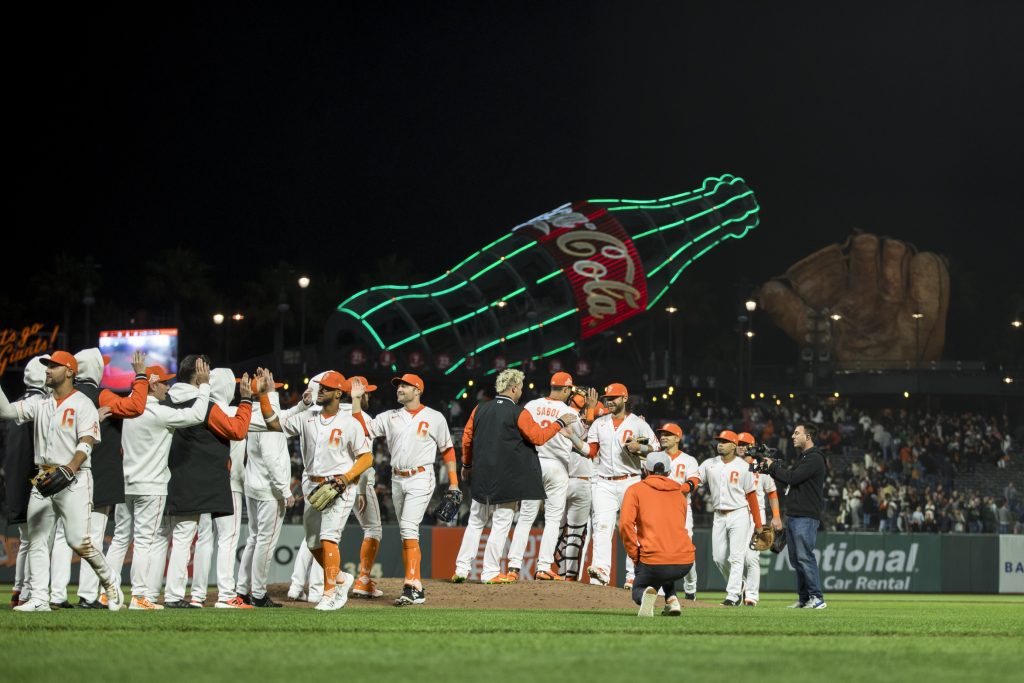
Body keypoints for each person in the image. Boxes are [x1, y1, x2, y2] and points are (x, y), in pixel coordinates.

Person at [0, 351, 123, 612]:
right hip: (44, 477)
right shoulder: (40, 402)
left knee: (79, 541)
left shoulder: (82, 403)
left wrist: (70, 468)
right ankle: (39, 599)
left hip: (75, 478)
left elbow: (87, 440)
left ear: (69, 372)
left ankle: (110, 579)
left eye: (53, 366)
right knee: (37, 539)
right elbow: (8, 412)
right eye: (47, 366)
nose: (47, 370)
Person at [452, 369, 577, 583]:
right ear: (513, 388)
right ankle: (490, 572)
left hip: (482, 473)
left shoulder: (479, 409)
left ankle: (461, 569)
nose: (520, 392)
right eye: (519, 388)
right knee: (501, 523)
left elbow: (467, 438)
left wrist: (466, 465)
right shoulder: (518, 412)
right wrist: (559, 423)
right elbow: (538, 437)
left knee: (475, 521)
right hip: (507, 476)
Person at [263, 370, 369, 611]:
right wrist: (262, 396)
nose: (319, 391)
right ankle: (341, 578)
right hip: (312, 484)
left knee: (328, 538)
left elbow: (366, 457)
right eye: (320, 387)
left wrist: (346, 478)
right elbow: (273, 423)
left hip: (339, 485)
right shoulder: (307, 418)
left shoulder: (350, 422)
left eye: (325, 388)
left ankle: (329, 593)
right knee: (312, 543)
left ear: (338, 393)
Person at [350, 373, 456, 605]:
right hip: (397, 480)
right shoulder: (390, 416)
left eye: (405, 386)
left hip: (421, 476)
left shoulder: (435, 417)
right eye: (398, 386)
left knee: (408, 527)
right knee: (405, 531)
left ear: (417, 390)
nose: (399, 389)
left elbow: (447, 450)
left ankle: (413, 584)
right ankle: (413, 584)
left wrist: (454, 482)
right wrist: (356, 400)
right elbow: (362, 429)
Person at [161, 357, 254, 609]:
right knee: (186, 537)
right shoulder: (206, 404)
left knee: (171, 539)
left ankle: (151, 594)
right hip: (202, 480)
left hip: (169, 476)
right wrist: (246, 400)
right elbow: (237, 430)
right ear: (199, 373)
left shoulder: (166, 399)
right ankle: (179, 596)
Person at [120, 362, 211, 609]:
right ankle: (139, 597)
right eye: (163, 382)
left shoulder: (128, 410)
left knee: (120, 540)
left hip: (127, 483)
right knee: (144, 543)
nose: (168, 387)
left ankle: (107, 593)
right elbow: (196, 415)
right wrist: (204, 388)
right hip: (152, 486)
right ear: (152, 384)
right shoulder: (158, 412)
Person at [69, 348, 150, 608]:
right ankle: (88, 595)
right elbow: (136, 406)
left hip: (62, 473)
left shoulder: (64, 397)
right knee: (92, 536)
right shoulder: (99, 394)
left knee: (58, 538)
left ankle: (50, 593)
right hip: (96, 473)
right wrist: (140, 376)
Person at [505, 372, 589, 581]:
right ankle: (543, 567)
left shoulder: (532, 405)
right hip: (557, 466)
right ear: (567, 389)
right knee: (552, 519)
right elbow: (582, 437)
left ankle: (514, 567)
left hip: (533, 463)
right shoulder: (568, 411)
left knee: (525, 518)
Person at [583, 383, 658, 588]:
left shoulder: (638, 423)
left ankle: (633, 575)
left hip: (631, 480)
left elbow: (657, 449)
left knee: (631, 528)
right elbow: (591, 449)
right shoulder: (599, 423)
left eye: (614, 397)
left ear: (625, 398)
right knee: (602, 526)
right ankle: (601, 571)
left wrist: (640, 447)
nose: (610, 400)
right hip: (603, 482)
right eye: (608, 397)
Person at [236, 379, 297, 607]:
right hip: (269, 491)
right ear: (266, 394)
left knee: (254, 540)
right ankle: (259, 594)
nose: (278, 391)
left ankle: (242, 589)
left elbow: (282, 415)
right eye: (274, 389)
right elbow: (272, 459)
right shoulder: (266, 416)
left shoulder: (252, 413)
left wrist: (301, 406)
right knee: (265, 542)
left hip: (253, 487)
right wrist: (284, 490)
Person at [618, 452, 695, 617]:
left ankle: (645, 596)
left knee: (637, 588)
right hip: (685, 561)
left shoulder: (635, 490)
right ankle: (672, 600)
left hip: (653, 561)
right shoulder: (680, 493)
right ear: (668, 471)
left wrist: (635, 555)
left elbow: (625, 525)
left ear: (646, 469)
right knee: (666, 565)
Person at [693, 430, 763, 606]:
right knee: (718, 557)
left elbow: (752, 496)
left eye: (724, 441)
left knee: (737, 556)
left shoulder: (743, 466)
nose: (720, 444)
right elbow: (695, 478)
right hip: (718, 516)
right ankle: (739, 584)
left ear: (733, 445)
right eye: (719, 441)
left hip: (739, 513)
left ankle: (732, 596)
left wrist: (758, 523)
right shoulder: (710, 464)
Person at [762, 423, 827, 609]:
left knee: (804, 557)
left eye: (797, 433)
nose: (792, 436)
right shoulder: (804, 457)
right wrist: (772, 468)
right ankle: (805, 598)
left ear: (808, 437)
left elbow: (792, 478)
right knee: (796, 559)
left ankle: (817, 598)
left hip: (805, 516)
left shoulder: (814, 458)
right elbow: (791, 479)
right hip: (795, 516)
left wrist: (772, 467)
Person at [4, 356, 49, 608]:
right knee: (39, 540)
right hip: (33, 480)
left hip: (13, 479)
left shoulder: (14, 404)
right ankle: (30, 591)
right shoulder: (42, 405)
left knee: (26, 540)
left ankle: (19, 590)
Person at [738, 431, 781, 607]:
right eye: (738, 443)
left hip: (758, 514)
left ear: (751, 446)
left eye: (744, 444)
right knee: (725, 557)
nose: (740, 446)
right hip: (736, 513)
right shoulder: (730, 465)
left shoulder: (761, 466)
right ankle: (739, 585)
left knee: (752, 557)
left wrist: (776, 516)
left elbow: (772, 492)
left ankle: (751, 596)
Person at [659, 422, 700, 600]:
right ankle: (662, 591)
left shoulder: (689, 460)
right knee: (659, 550)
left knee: (685, 550)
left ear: (678, 438)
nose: (663, 437)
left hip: (681, 510)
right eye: (661, 434)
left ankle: (690, 588)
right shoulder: (654, 457)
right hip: (659, 510)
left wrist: (673, 488)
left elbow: (693, 483)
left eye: (668, 434)